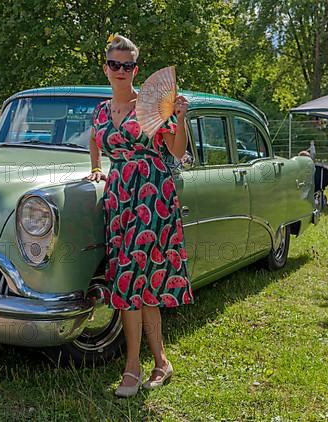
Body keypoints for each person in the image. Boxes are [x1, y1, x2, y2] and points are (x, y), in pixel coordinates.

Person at [86, 35, 193, 398]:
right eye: (114, 64)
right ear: (106, 67)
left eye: (127, 65)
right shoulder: (101, 110)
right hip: (119, 197)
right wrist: (97, 168)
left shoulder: (150, 107)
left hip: (153, 194)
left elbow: (176, 152)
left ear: (136, 70)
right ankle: (161, 361)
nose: (120, 70)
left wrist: (181, 117)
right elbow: (95, 140)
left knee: (132, 280)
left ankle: (132, 369)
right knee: (137, 284)